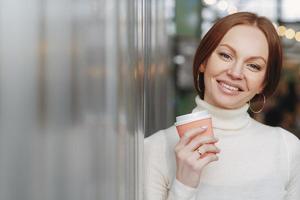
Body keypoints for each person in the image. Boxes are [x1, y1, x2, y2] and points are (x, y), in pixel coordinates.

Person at [144, 12, 300, 200]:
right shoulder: (156, 148)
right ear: (204, 61)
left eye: (253, 66)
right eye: (226, 55)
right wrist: (184, 185)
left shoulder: (287, 149)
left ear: (263, 83)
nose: (235, 73)